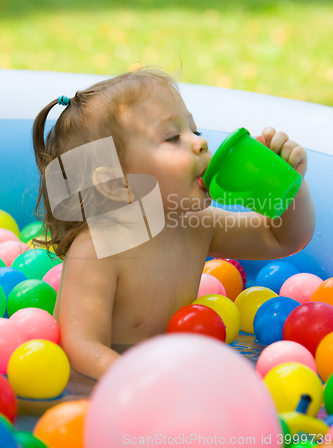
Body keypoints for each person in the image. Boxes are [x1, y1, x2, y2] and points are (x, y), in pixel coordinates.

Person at [32, 67, 315, 383]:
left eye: (195, 131)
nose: (200, 143)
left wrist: (290, 185)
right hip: (104, 386)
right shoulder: (99, 248)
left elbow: (282, 238)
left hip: (170, 372)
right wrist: (148, 383)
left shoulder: (196, 223)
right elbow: (81, 348)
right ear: (117, 184)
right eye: (172, 137)